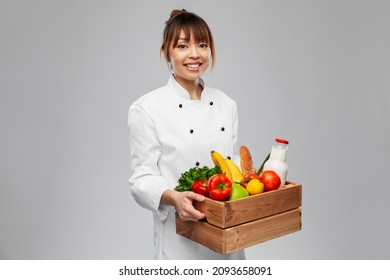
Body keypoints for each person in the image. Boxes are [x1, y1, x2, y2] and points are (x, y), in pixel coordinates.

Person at [127, 9, 245, 260]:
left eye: (202, 45)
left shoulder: (227, 104)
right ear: (166, 53)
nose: (194, 54)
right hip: (178, 242)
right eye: (182, 46)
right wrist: (174, 198)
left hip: (227, 242)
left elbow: (231, 166)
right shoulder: (147, 108)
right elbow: (141, 180)